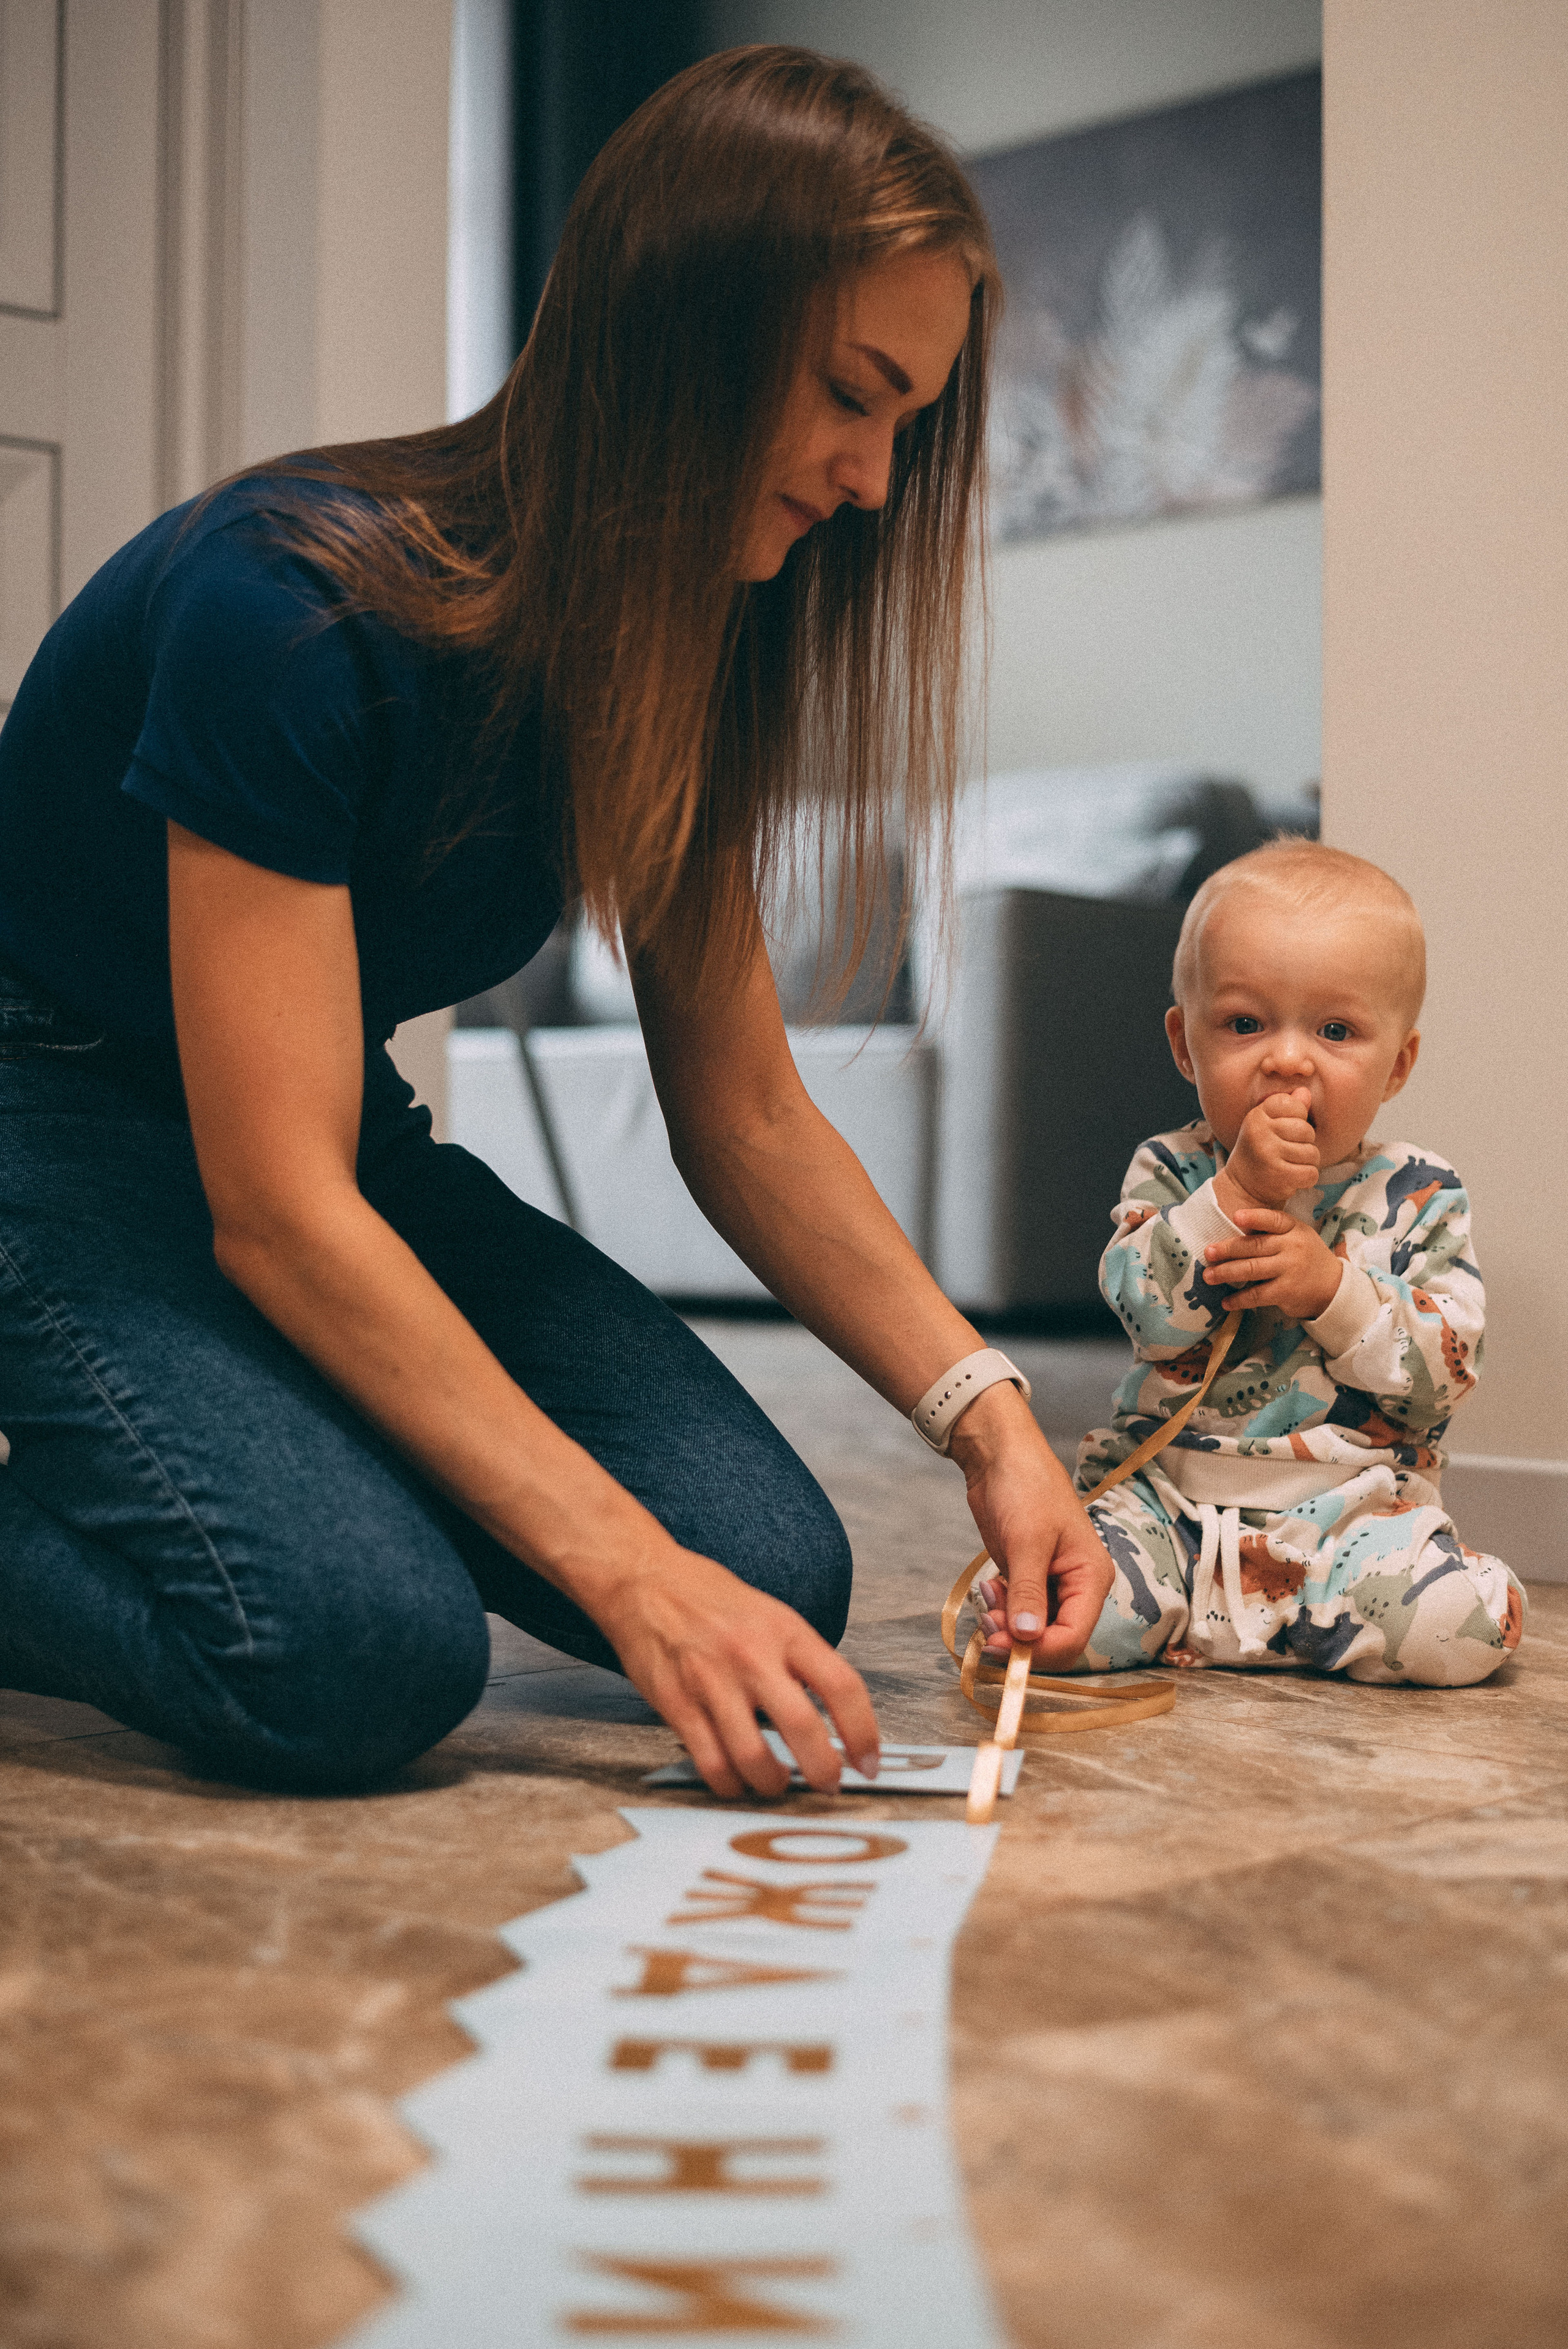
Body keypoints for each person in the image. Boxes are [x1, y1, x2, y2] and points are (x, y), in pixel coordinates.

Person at [0, 47, 1112, 1797]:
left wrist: (990, 1415)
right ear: (683, 327)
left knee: (768, 1567)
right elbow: (282, 1215)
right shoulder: (284, 607)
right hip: (46, 1121)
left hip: (314, 1139)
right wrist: (619, 1568)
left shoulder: (682, 641)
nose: (875, 482)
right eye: (850, 392)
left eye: (909, 421)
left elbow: (741, 1108)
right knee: (360, 1648)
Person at [978, 838, 1525, 1684]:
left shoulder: (1420, 1193)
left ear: (1398, 1065)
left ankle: (1334, 1606)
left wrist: (1333, 1292)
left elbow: (1442, 1377)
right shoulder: (1171, 1170)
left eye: (1336, 1030)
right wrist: (1231, 1195)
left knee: (1456, 1631)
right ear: (1185, 1045)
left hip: (1345, 1517)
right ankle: (1178, 1610)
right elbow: (1147, 1313)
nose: (1287, 1058)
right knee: (1047, 1599)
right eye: (1245, 1023)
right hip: (1169, 1504)